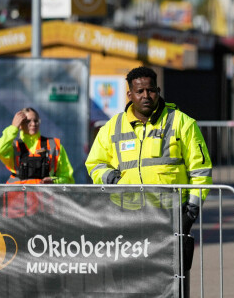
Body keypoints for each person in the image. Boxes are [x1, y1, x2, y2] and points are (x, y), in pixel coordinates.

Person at [87, 66, 213, 297]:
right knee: (127, 283)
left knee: (170, 286)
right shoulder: (112, 127)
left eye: (151, 90)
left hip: (170, 219)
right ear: (130, 95)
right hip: (126, 219)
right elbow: (94, 164)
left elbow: (200, 171)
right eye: (140, 91)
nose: (146, 96)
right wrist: (114, 180)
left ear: (158, 90)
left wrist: (191, 212)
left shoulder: (182, 123)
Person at [0, 107, 75, 184]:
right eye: (28, 121)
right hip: (18, 198)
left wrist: (54, 181)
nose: (33, 124)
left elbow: (67, 178)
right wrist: (13, 128)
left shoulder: (54, 145)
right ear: (20, 124)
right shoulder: (13, 147)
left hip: (45, 199)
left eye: (36, 121)